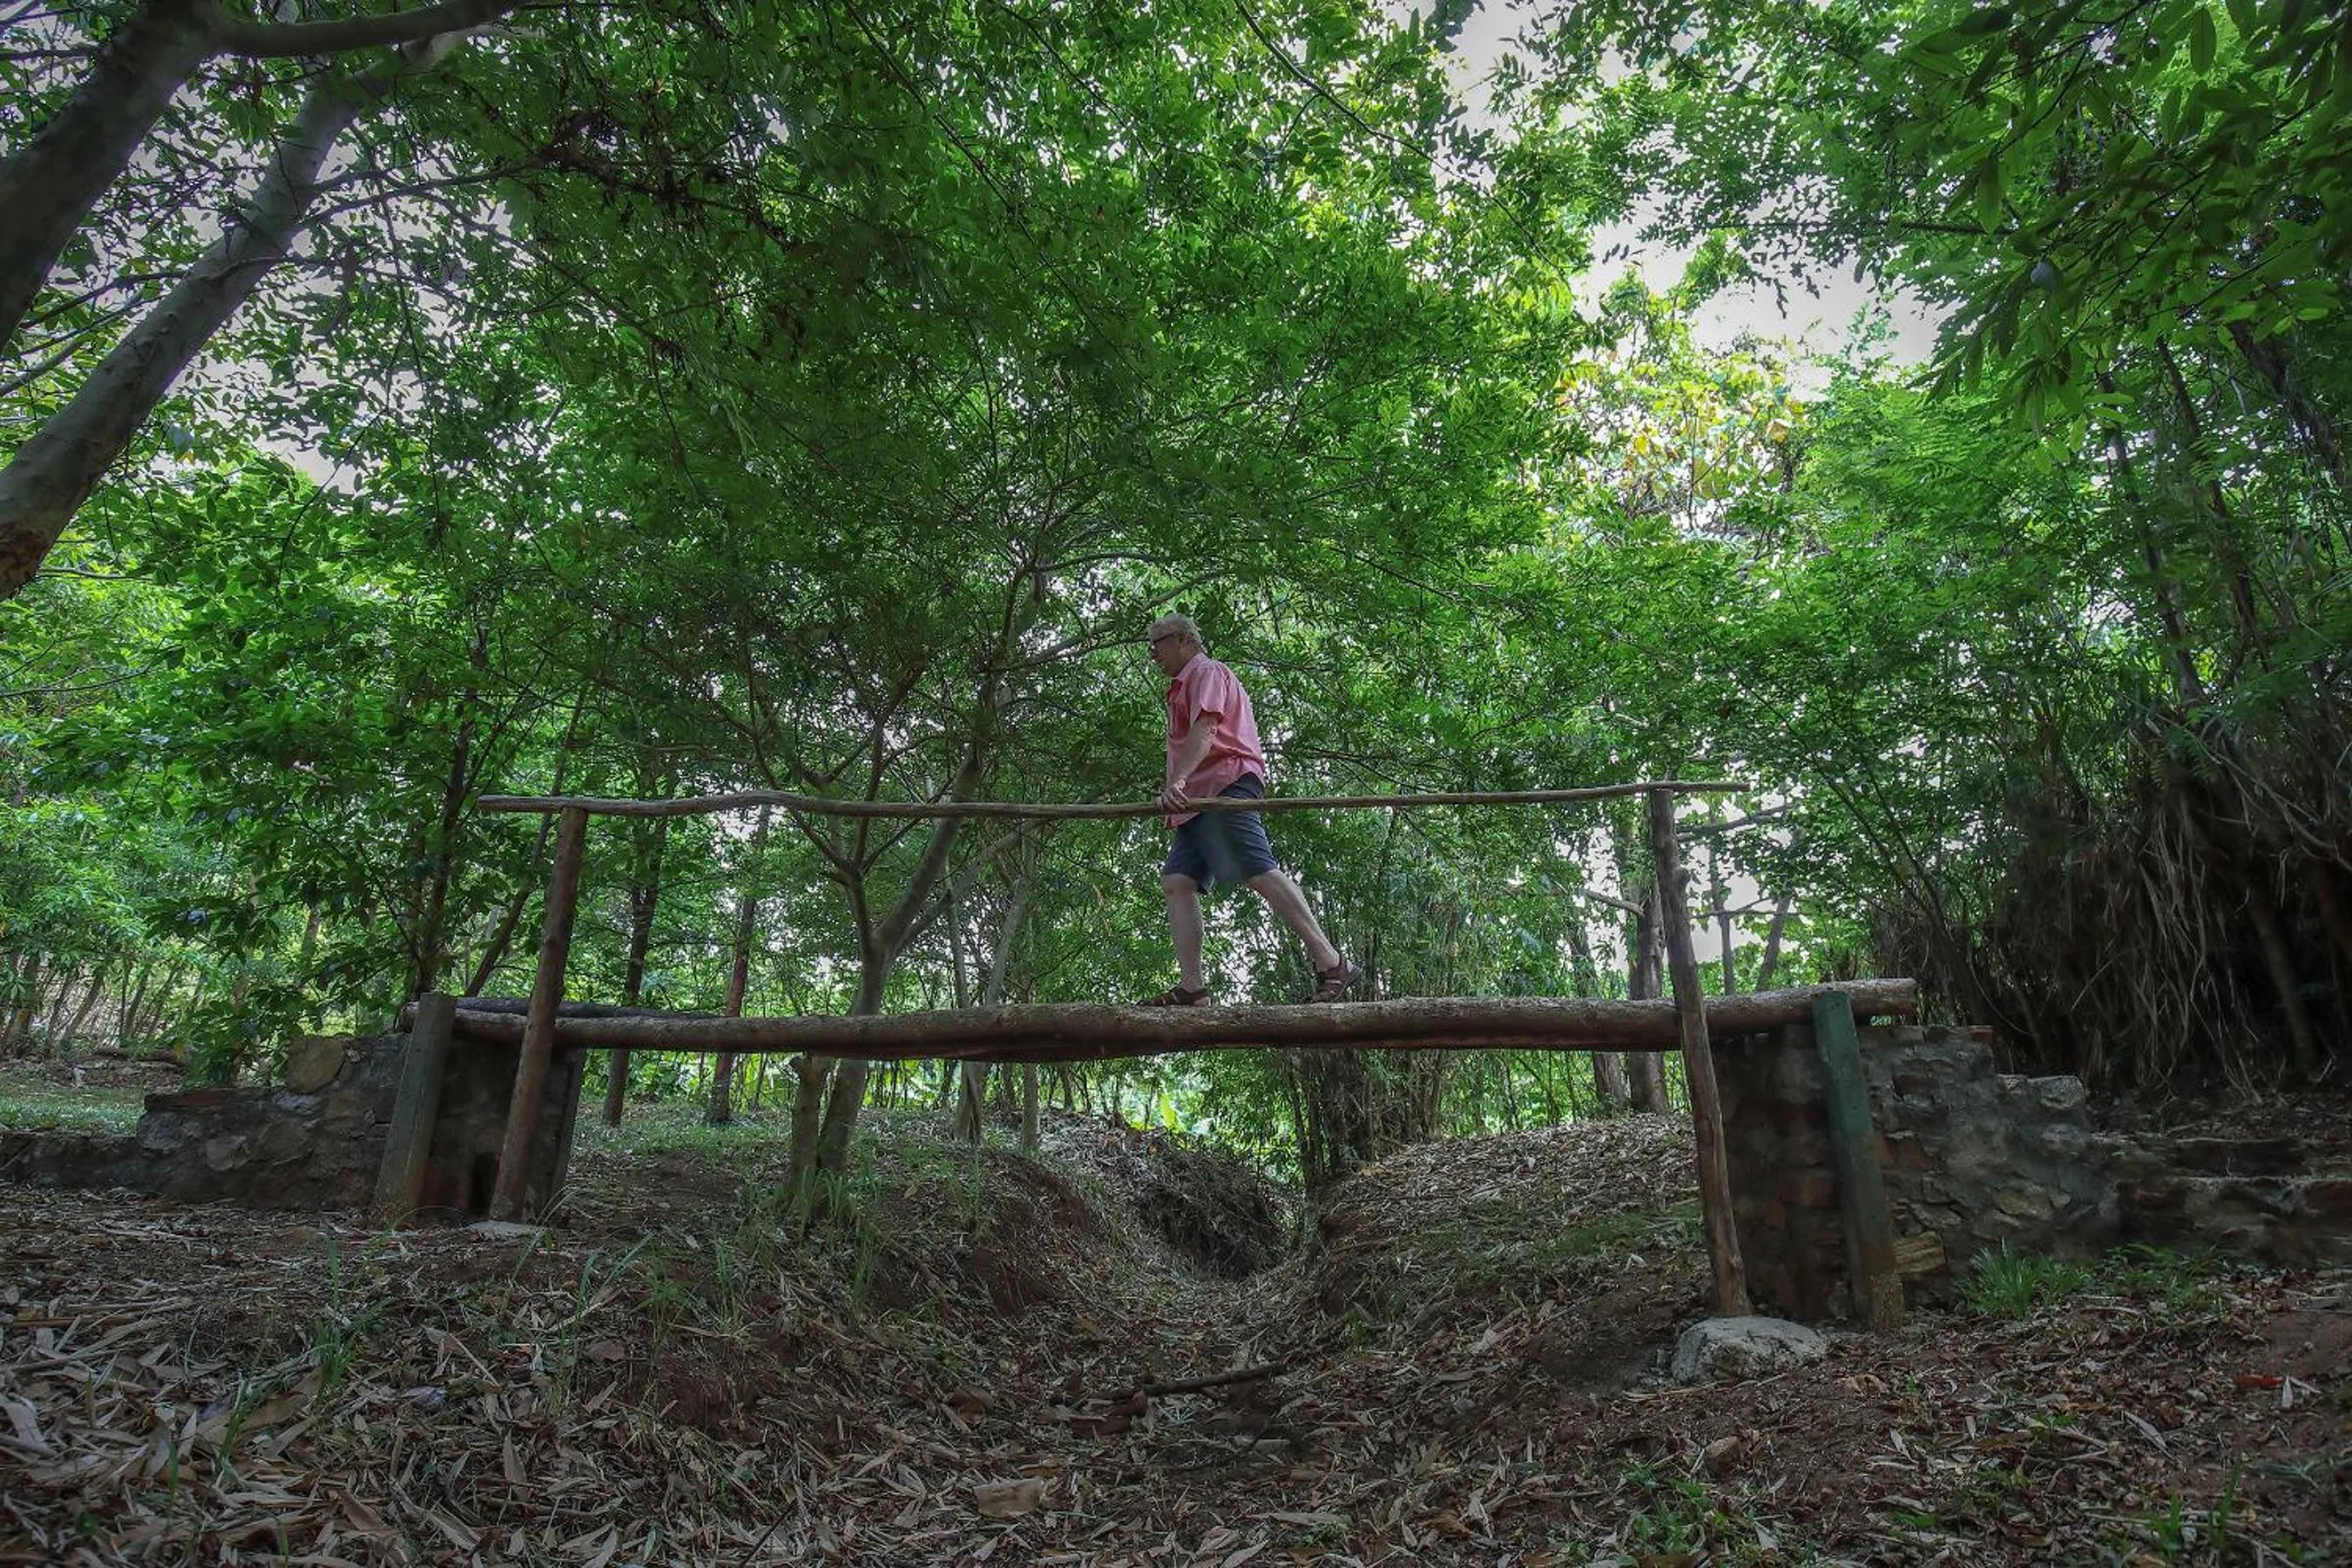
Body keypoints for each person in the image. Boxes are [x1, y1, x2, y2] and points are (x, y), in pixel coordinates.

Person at [1140, 612, 1362, 1006]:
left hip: (1225, 784)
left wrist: (1176, 783)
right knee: (1177, 880)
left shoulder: (1206, 671)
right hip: (1195, 798)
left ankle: (1332, 962)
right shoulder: (1178, 687)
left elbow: (1206, 731)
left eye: (1158, 643)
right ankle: (1193, 989)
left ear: (1184, 641)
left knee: (1257, 870)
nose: (1152, 653)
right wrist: (1178, 796)